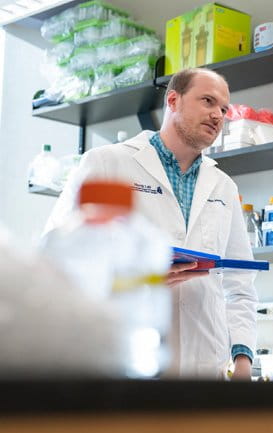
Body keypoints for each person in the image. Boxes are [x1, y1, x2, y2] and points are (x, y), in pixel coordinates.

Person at [44, 68, 257, 380]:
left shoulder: (223, 185)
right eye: (208, 101)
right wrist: (140, 275)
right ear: (173, 99)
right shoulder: (107, 163)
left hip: (205, 366)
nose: (218, 115)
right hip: (127, 359)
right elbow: (55, 258)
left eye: (224, 109)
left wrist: (242, 358)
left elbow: (240, 281)